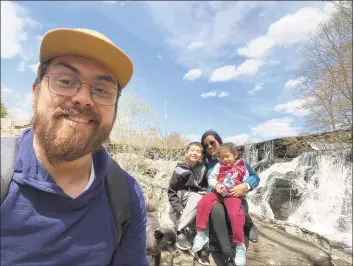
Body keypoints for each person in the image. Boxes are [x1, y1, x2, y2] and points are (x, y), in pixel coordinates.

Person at [0, 28, 149, 266]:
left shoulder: (126, 196)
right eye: (66, 81)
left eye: (101, 90)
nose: (83, 98)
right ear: (35, 93)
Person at [201, 130, 260, 266]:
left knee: (235, 212)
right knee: (217, 211)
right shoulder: (205, 164)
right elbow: (201, 182)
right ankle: (228, 255)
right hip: (216, 197)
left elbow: (255, 177)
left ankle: (247, 225)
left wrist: (245, 186)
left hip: (235, 195)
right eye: (205, 145)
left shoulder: (238, 162)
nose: (209, 146)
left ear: (219, 142)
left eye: (212, 142)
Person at [191, 142, 248, 266]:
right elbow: (211, 178)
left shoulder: (243, 166)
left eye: (228, 156)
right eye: (222, 157)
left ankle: (240, 246)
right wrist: (216, 185)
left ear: (235, 155)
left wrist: (242, 188)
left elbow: (247, 182)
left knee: (235, 214)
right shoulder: (218, 166)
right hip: (219, 191)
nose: (225, 160)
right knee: (203, 203)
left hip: (233, 193)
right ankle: (200, 234)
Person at [167, 142, 210, 265]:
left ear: (201, 155)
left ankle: (203, 248)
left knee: (205, 204)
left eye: (198, 151)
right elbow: (172, 192)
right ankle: (179, 230)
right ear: (186, 153)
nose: (194, 153)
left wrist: (205, 192)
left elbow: (205, 186)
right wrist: (179, 208)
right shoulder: (179, 169)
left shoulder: (203, 168)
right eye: (192, 150)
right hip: (182, 195)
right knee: (197, 198)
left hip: (196, 196)